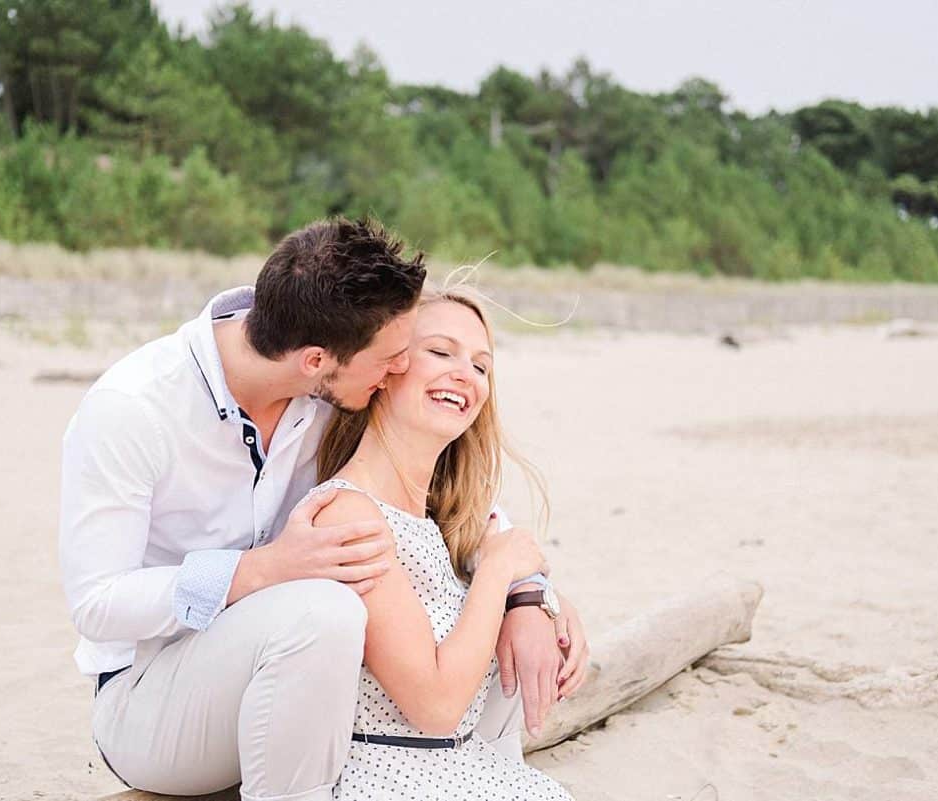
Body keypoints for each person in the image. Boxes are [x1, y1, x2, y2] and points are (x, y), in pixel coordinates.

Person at [58, 218, 588, 800]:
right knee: (321, 610)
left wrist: (528, 594)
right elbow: (97, 604)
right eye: (392, 358)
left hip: (295, 697)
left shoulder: (336, 387)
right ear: (316, 360)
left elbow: (456, 508)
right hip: (154, 699)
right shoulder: (133, 409)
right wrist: (260, 570)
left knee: (459, 612)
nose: (398, 369)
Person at [309, 288, 582, 800]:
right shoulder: (349, 513)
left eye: (482, 366)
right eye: (440, 352)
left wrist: (537, 601)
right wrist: (498, 577)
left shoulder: (439, 519)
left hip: (462, 766)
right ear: (385, 369)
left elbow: (510, 557)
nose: (467, 375)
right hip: (392, 777)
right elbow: (434, 708)